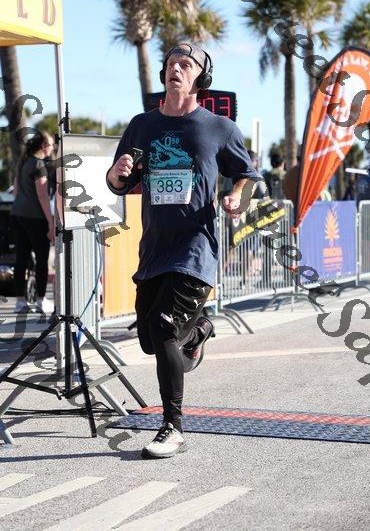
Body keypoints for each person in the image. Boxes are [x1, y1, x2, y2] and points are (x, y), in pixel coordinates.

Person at [106, 42, 260, 459]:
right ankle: (199, 329)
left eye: (185, 64)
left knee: (163, 327)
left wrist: (238, 198)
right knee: (151, 340)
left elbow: (248, 176)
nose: (176, 69)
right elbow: (119, 181)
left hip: (196, 246)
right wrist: (117, 173)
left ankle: (172, 427)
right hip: (155, 248)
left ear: (200, 78)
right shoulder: (142, 125)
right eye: (171, 63)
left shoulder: (219, 127)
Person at [11, 131, 55, 313]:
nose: (53, 148)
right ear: (44, 146)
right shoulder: (39, 164)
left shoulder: (23, 162)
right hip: (35, 218)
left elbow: (15, 191)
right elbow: (43, 195)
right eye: (51, 144)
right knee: (41, 259)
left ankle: (20, 302)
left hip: (18, 214)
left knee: (21, 258)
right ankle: (41, 300)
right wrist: (50, 221)